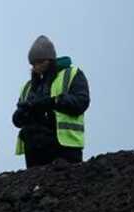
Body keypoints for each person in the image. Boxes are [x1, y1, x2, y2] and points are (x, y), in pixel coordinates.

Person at [13, 35, 90, 168]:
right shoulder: (28, 87)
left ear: (49, 60)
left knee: (66, 186)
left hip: (65, 147)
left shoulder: (71, 74)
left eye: (39, 62)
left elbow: (81, 102)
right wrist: (20, 114)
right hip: (34, 149)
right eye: (32, 64)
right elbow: (18, 120)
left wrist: (53, 102)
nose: (35, 67)